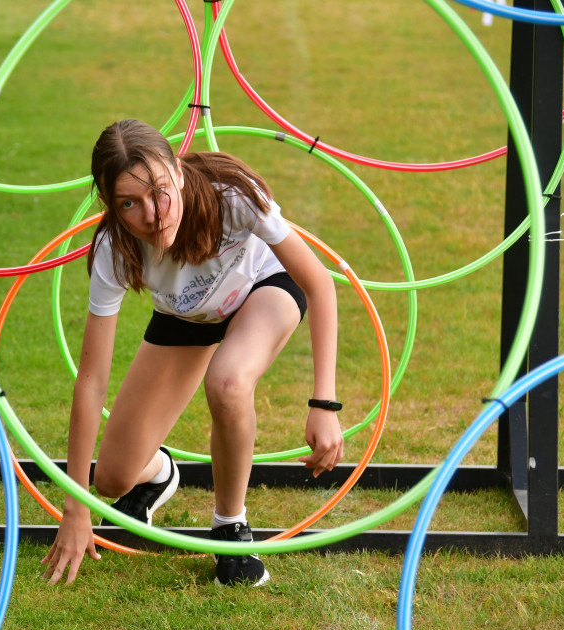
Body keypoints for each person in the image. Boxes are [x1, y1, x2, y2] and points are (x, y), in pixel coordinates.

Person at [40, 119, 344, 587]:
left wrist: (324, 404)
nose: (153, 213)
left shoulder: (233, 198)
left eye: (160, 191)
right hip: (188, 316)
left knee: (228, 382)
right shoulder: (113, 252)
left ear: (178, 172)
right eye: (129, 203)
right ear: (110, 206)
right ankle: (158, 474)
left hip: (262, 289)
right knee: (112, 480)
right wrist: (76, 505)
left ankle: (231, 527)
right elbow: (91, 380)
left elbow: (318, 283)